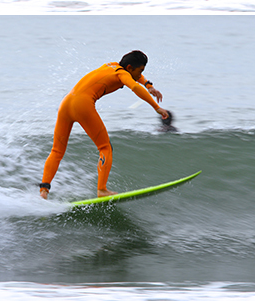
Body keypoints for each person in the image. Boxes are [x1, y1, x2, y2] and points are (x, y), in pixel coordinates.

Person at [39, 50, 169, 199]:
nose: (140, 75)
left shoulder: (111, 65)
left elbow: (138, 80)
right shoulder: (123, 75)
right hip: (82, 105)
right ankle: (101, 189)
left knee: (57, 151)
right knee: (105, 147)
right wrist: (156, 107)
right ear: (129, 68)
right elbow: (134, 87)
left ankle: (44, 191)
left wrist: (148, 84)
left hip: (66, 104)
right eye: (140, 71)